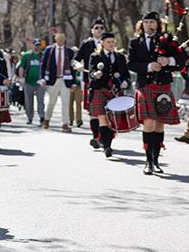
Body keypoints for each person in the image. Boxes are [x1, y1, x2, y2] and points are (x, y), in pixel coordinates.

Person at [128, 11, 186, 175]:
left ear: (157, 24)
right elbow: (131, 64)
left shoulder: (167, 40)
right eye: (146, 22)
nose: (149, 25)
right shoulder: (135, 42)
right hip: (146, 86)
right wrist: (148, 66)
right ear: (142, 24)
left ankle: (156, 160)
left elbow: (182, 60)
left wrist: (169, 61)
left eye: (152, 22)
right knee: (149, 123)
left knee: (159, 124)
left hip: (163, 86)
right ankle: (148, 161)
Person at [86, 32, 130, 157]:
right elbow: (91, 72)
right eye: (108, 42)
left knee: (112, 119)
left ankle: (106, 142)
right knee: (103, 118)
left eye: (112, 42)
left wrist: (125, 82)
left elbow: (125, 74)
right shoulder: (95, 56)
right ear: (102, 43)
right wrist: (95, 75)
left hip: (114, 90)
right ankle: (107, 146)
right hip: (99, 89)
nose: (111, 44)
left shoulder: (120, 57)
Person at [75, 18, 106, 146]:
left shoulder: (108, 42)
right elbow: (76, 59)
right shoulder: (86, 44)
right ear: (92, 30)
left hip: (106, 82)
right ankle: (96, 137)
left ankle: (105, 137)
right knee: (93, 111)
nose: (99, 30)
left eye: (101, 28)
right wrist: (77, 65)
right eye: (96, 28)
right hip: (90, 81)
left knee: (104, 112)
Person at [39, 32, 77, 131]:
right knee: (52, 101)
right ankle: (47, 120)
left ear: (64, 40)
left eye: (62, 39)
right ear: (55, 39)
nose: (60, 41)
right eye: (58, 39)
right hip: (53, 80)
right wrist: (43, 78)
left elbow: (73, 68)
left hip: (65, 80)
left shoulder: (69, 51)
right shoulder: (49, 50)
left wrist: (73, 82)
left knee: (66, 102)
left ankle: (65, 123)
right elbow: (43, 65)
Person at [17, 38, 45, 125]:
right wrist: (21, 78)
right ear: (32, 45)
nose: (37, 47)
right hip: (28, 81)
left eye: (39, 45)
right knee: (28, 101)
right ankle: (29, 118)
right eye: (35, 45)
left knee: (40, 100)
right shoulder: (27, 55)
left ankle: (42, 117)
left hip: (40, 82)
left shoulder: (43, 55)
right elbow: (22, 67)